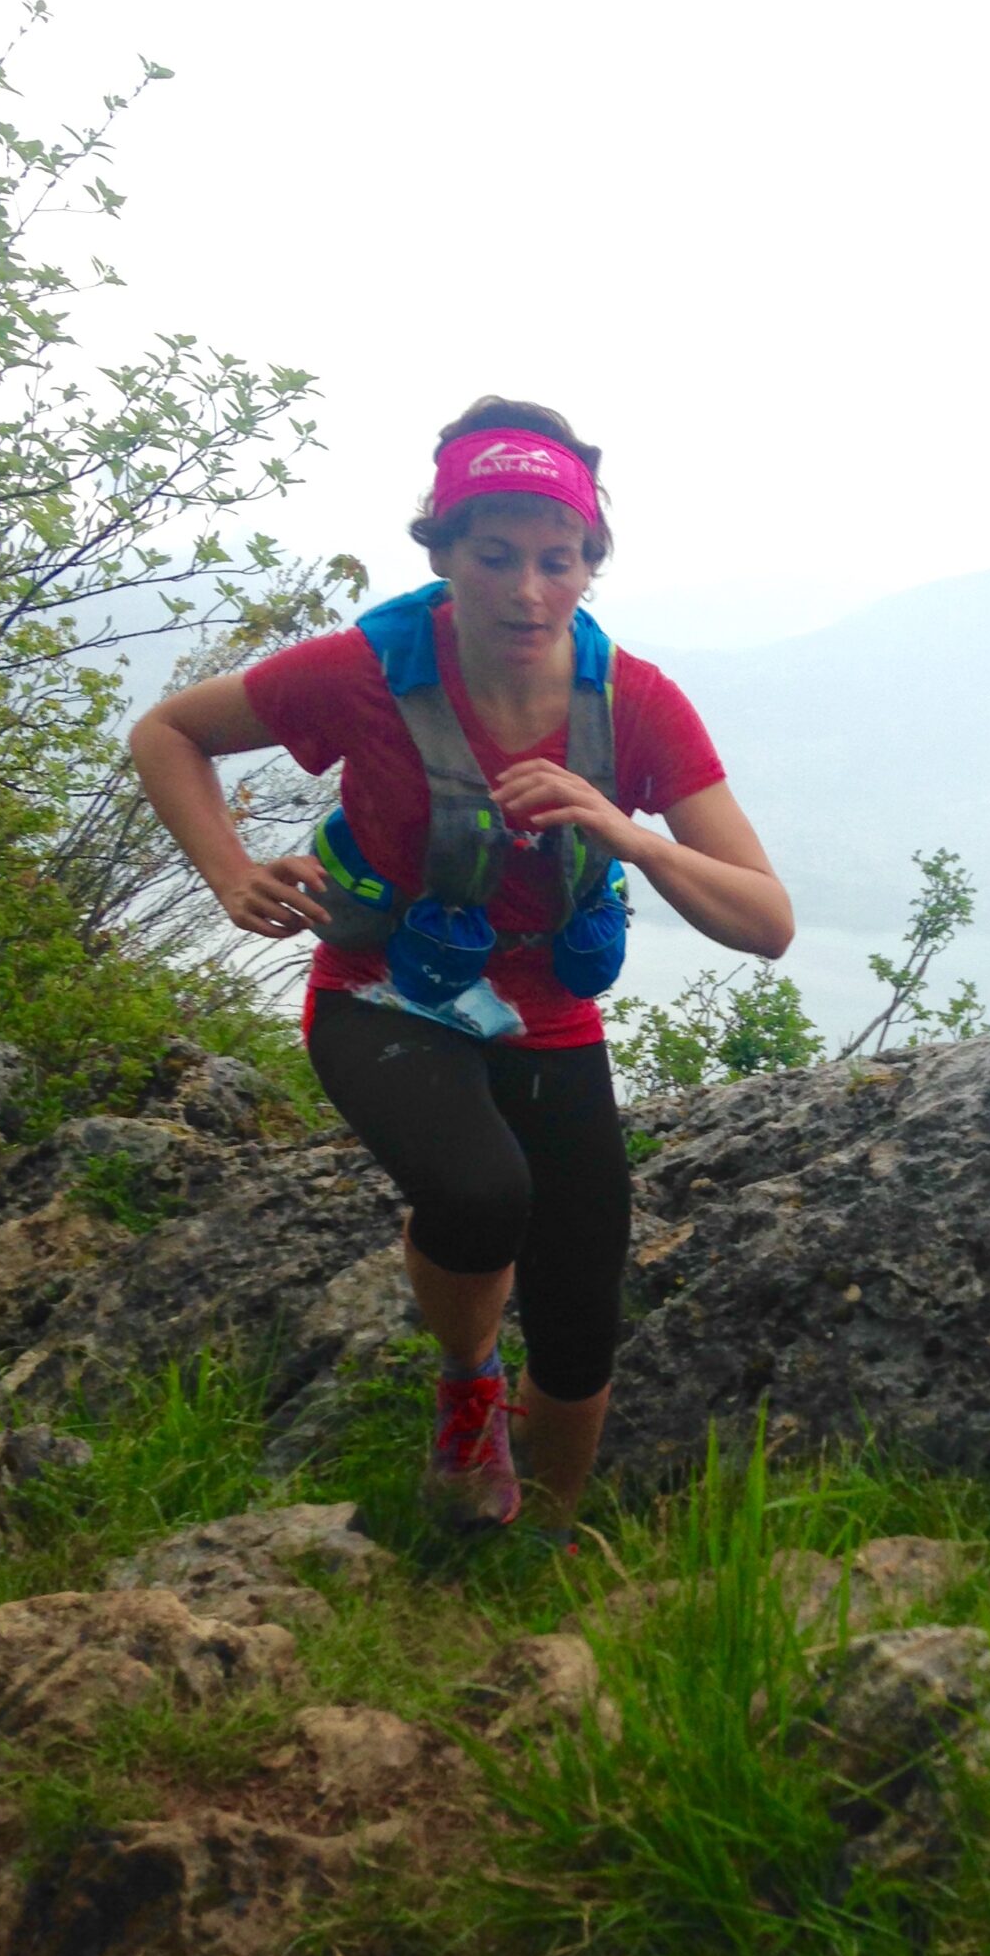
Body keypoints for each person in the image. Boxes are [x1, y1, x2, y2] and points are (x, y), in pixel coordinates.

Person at [129, 397, 794, 1544]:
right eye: (494, 555)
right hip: (381, 988)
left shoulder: (634, 704)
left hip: (546, 1008)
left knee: (581, 1302)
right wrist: (229, 872)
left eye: (558, 559)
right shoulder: (364, 672)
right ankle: (469, 1383)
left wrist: (625, 831)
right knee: (483, 1196)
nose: (528, 590)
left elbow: (767, 922)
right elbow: (168, 732)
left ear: (590, 562)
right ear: (440, 552)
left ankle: (540, 1545)